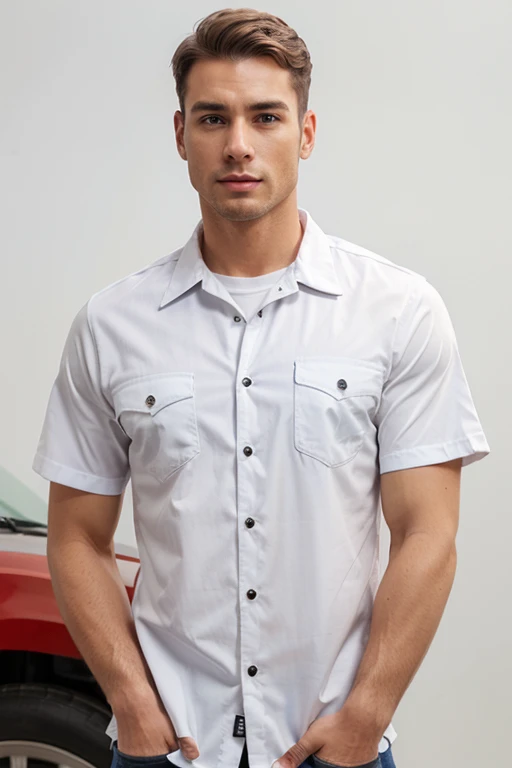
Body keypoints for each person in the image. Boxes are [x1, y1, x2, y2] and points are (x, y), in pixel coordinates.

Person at [32, 8, 490, 768]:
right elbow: (76, 536)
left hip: (332, 742)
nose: (238, 144)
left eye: (265, 116)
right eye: (213, 118)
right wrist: (131, 703)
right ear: (181, 135)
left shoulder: (398, 312)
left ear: (305, 133)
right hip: (168, 747)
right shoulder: (112, 325)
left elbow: (427, 535)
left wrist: (364, 718)